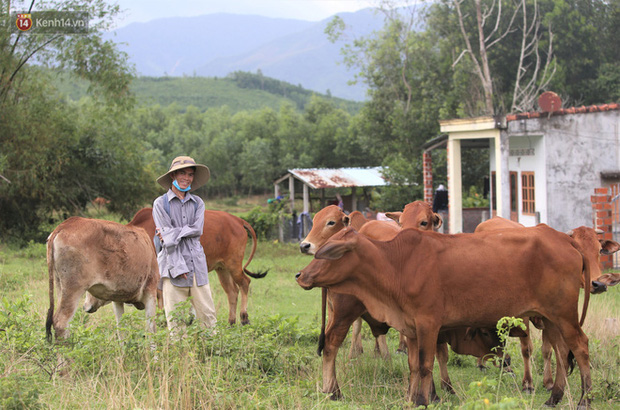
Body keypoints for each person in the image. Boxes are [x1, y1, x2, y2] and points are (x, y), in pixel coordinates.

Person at [153, 155, 217, 333]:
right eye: (182, 173)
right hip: (172, 268)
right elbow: (167, 243)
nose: (186, 178)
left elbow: (197, 229)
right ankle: (179, 359)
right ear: (173, 176)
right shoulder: (160, 204)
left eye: (190, 174)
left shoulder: (198, 203)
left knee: (208, 317)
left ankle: (212, 355)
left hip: (197, 266)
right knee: (175, 321)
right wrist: (179, 267)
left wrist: (172, 233)